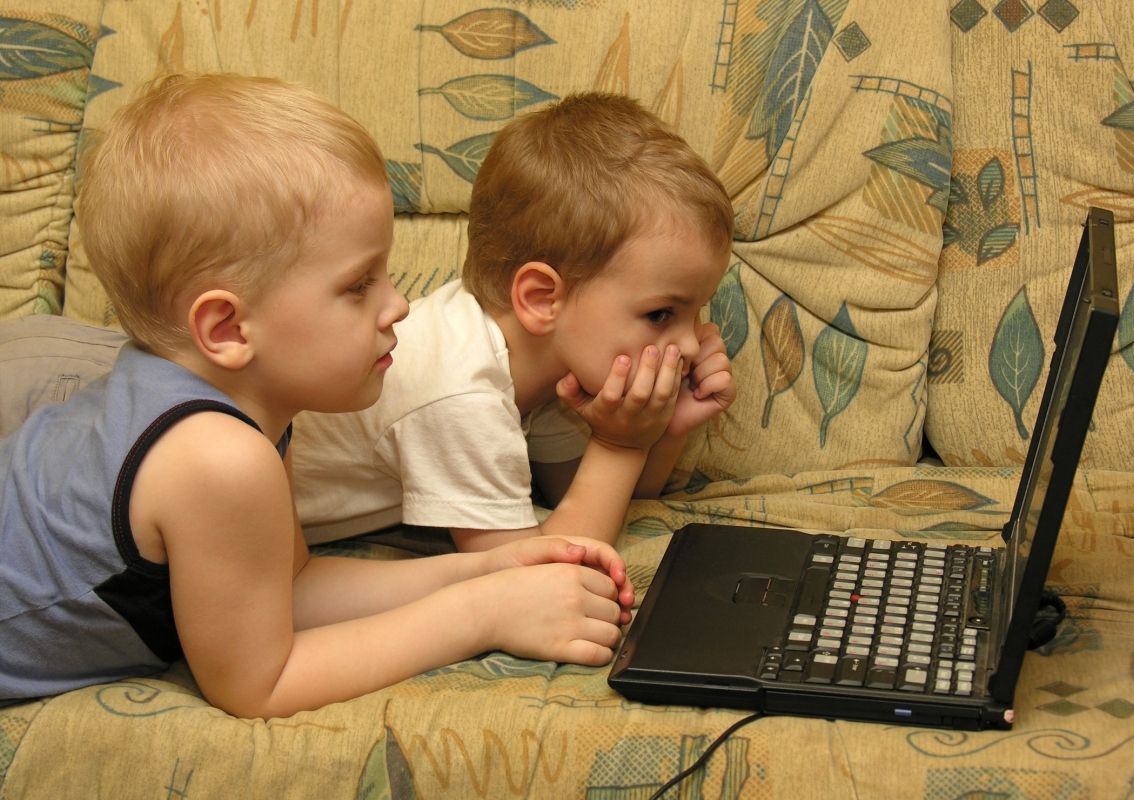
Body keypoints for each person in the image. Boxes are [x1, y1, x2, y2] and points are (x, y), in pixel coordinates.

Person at [0, 73, 633, 719]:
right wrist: (479, 614)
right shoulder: (215, 458)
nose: (399, 304)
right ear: (227, 329)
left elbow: (290, 587)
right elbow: (257, 685)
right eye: (360, 284)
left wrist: (483, 571)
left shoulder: (238, 412)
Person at [291, 92, 737, 551]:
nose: (688, 344)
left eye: (697, 309)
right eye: (661, 314)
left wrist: (663, 431)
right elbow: (537, 579)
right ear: (542, 299)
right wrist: (622, 446)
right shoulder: (460, 392)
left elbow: (585, 500)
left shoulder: (540, 362)